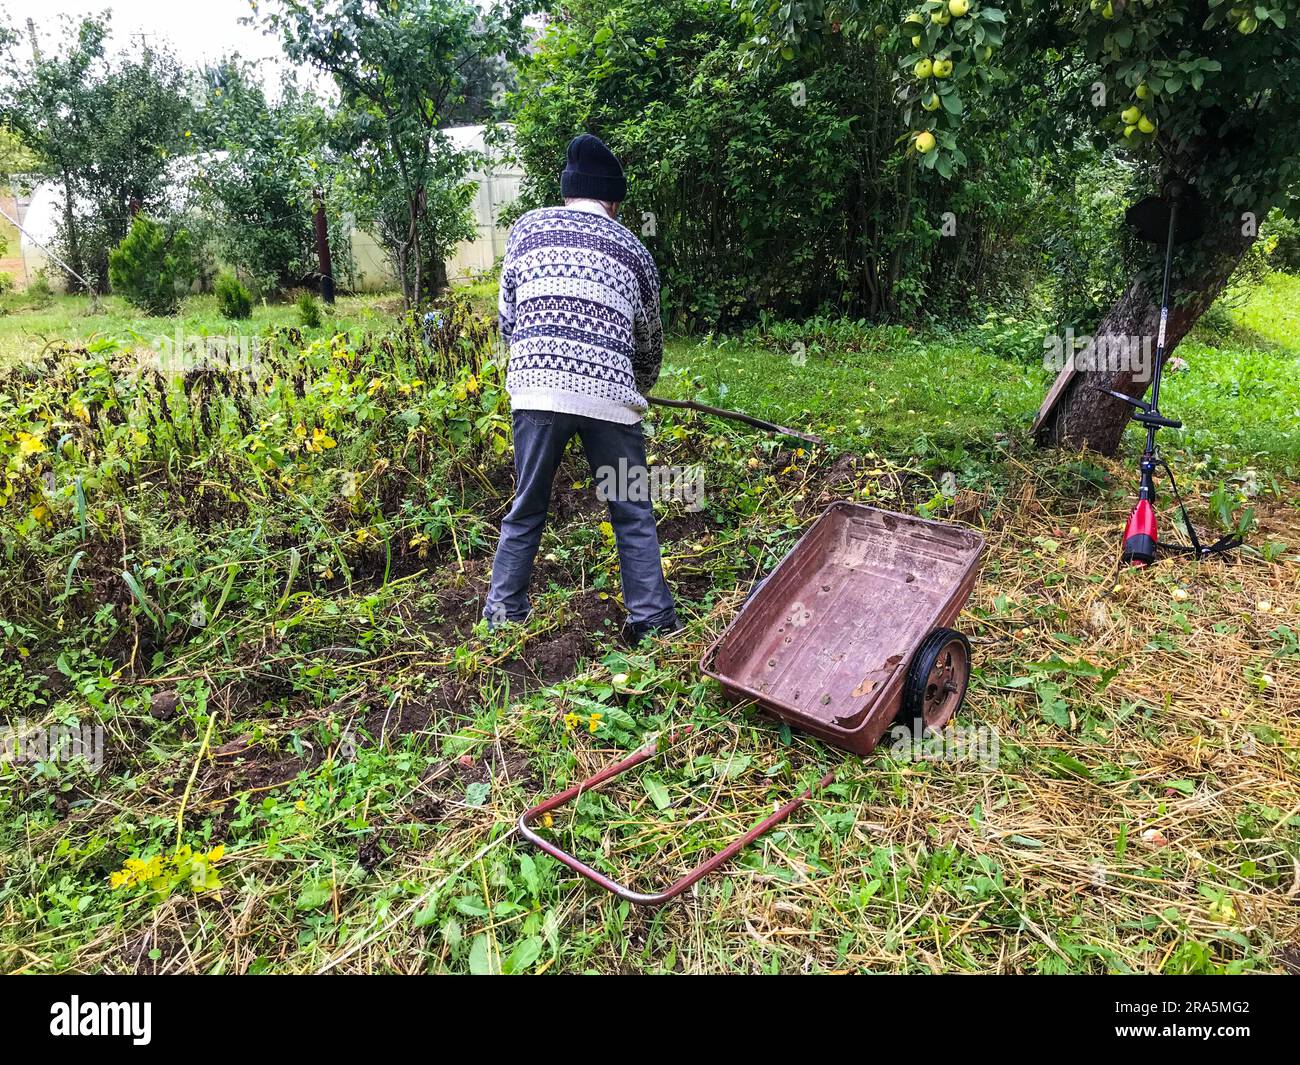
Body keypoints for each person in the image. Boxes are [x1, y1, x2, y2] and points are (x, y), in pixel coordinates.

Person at [483, 133, 679, 644]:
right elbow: (649, 341)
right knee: (631, 509)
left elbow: (508, 321)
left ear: (568, 191)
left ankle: (503, 615)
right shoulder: (633, 250)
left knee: (527, 506)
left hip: (537, 394)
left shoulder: (526, 230)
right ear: (613, 200)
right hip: (611, 401)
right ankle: (652, 622)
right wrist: (636, 384)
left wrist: (540, 369)